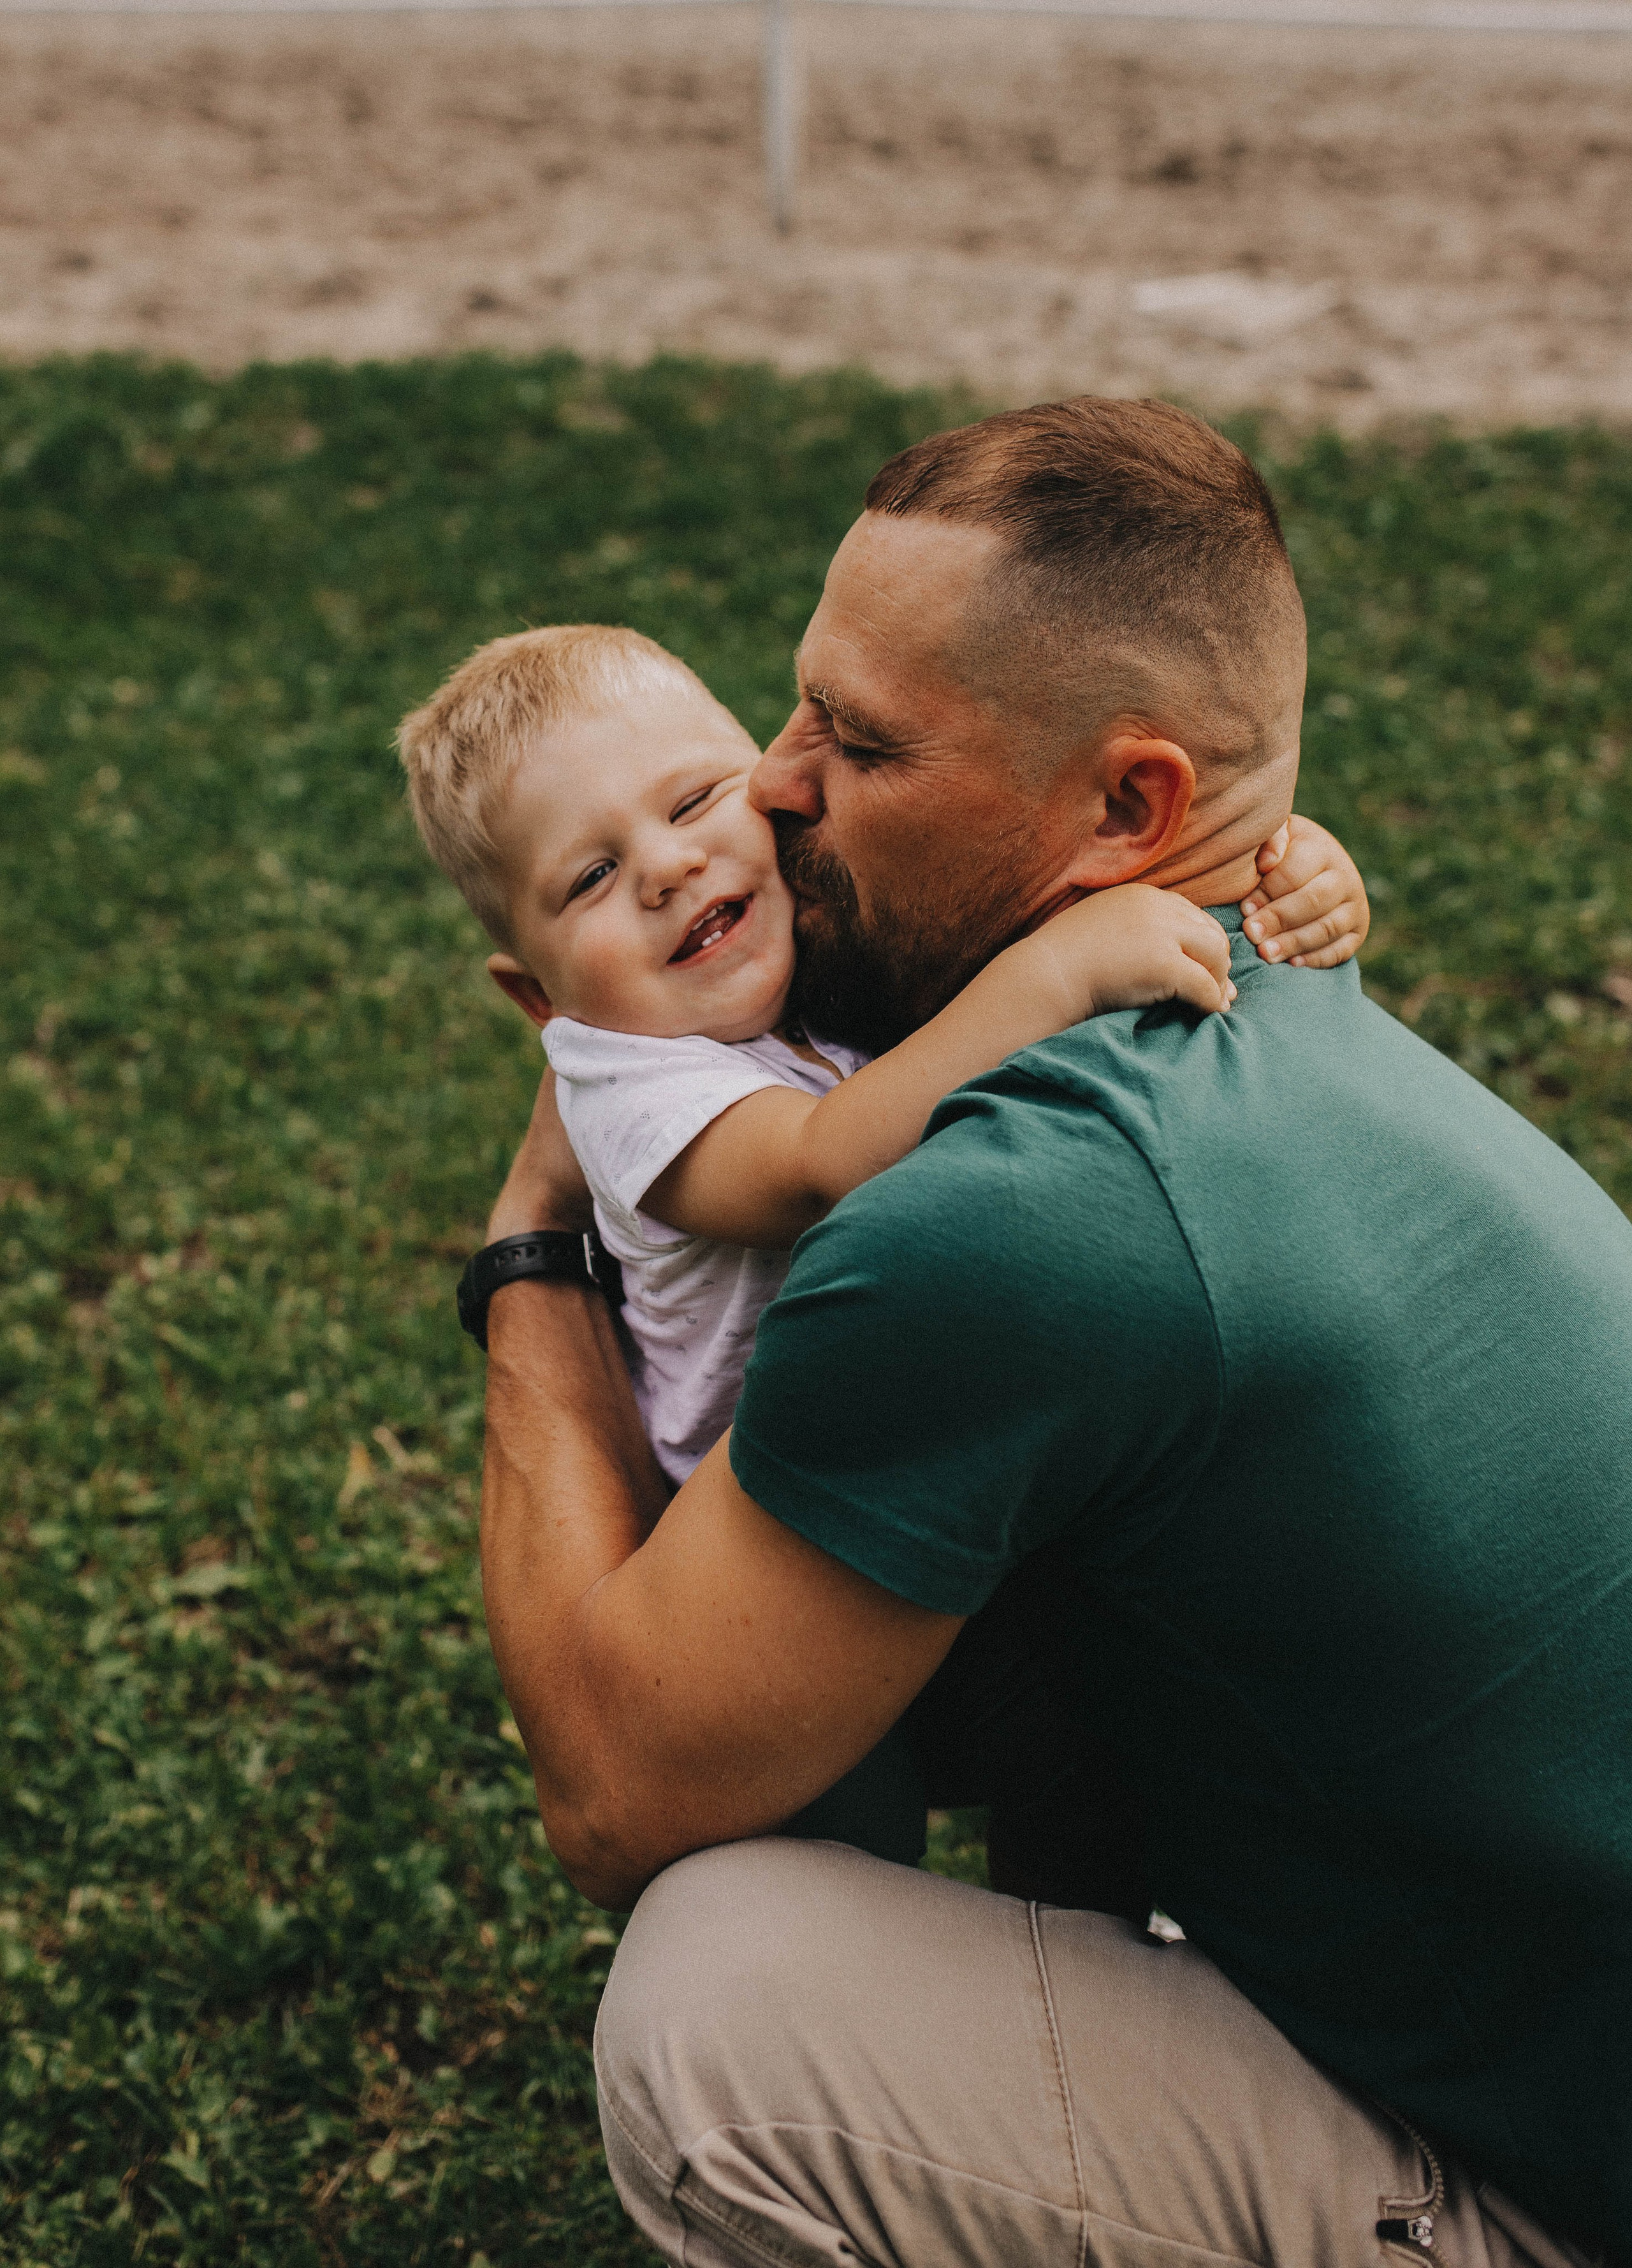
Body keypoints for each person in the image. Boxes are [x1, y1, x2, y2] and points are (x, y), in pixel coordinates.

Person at [472, 398, 1632, 2268]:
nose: (772, 789)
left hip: (1570, 2180)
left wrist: (532, 1254)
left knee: (719, 2007)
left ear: (1128, 810)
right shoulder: (1275, 988)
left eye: (857, 742)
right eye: (796, 710)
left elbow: (619, 1784)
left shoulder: (1023, 1208)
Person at [398, 623, 1365, 1862]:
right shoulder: (621, 1088)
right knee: (811, 1857)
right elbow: (815, 1163)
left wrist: (1293, 867)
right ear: (536, 997)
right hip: (763, 1561)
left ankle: (1077, 1941)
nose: (665, 867)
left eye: (693, 798)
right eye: (587, 878)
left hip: (926, 1486)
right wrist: (1059, 975)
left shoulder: (796, 944)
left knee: (1093, 1765)